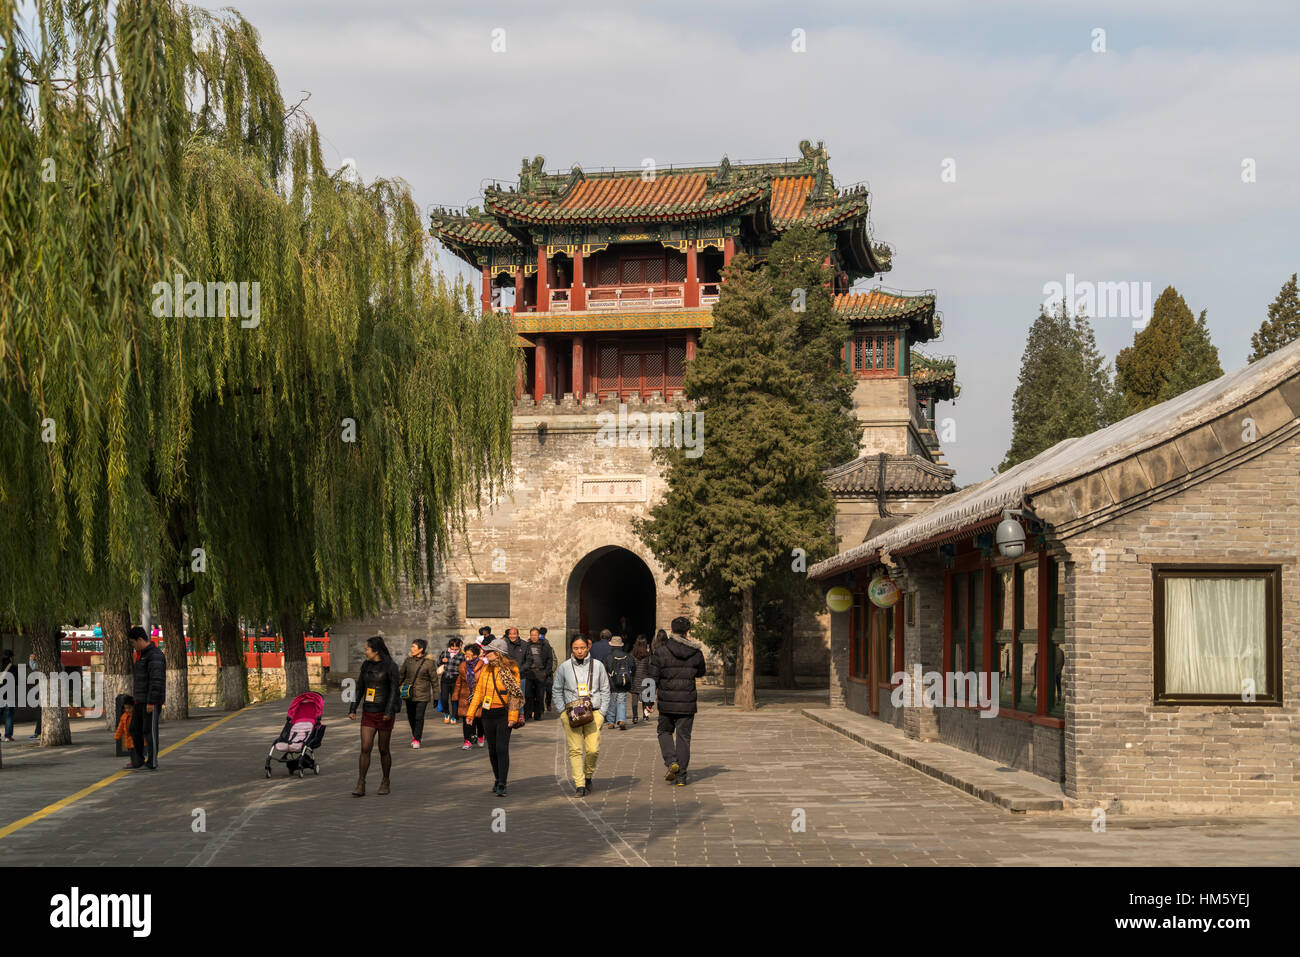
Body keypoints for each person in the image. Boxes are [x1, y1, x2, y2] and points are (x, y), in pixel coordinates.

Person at [646, 616, 705, 787]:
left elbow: (651, 678)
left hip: (666, 702)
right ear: (687, 632)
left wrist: (648, 701)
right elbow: (700, 672)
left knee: (664, 732)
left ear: (671, 631)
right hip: (687, 701)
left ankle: (672, 761)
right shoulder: (696, 653)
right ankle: (681, 777)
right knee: (683, 737)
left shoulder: (660, 652)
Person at [463, 638, 523, 796]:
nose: (485, 653)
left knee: (502, 748)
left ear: (498, 653)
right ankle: (497, 778)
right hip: (487, 714)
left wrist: (513, 716)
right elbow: (479, 693)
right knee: (492, 749)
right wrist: (470, 713)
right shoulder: (485, 669)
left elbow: (514, 696)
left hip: (504, 714)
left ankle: (503, 782)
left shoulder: (512, 669)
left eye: (488, 651)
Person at [553, 634, 610, 797]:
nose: (579, 651)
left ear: (588, 647)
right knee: (575, 749)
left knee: (593, 750)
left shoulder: (598, 666)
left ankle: (588, 775)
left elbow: (606, 689)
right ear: (572, 648)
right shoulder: (564, 667)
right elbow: (556, 689)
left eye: (582, 648)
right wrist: (561, 711)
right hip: (572, 714)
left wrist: (602, 713)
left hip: (594, 712)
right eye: (576, 648)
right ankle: (579, 784)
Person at [348, 636, 401, 796]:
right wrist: (353, 708)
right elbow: (359, 688)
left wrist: (388, 711)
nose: (365, 652)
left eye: (367, 649)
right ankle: (361, 782)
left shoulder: (391, 666)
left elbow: (394, 690)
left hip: (384, 712)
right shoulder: (366, 665)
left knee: (383, 749)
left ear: (376, 650)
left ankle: (385, 780)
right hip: (368, 711)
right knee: (365, 747)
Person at [127, 627, 164, 770]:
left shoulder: (154, 655)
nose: (133, 646)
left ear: (140, 640)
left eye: (133, 643)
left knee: (150, 731)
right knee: (134, 728)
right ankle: (138, 760)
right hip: (139, 700)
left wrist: (152, 701)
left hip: (150, 701)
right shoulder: (141, 655)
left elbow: (156, 680)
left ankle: (152, 761)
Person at [398, 639, 438, 749]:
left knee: (419, 717)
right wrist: (393, 689)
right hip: (408, 693)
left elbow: (434, 681)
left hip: (422, 694)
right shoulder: (408, 661)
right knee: (411, 717)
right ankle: (415, 734)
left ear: (421, 649)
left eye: (414, 647)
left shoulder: (429, 663)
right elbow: (401, 676)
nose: (412, 649)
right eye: (412, 647)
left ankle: (416, 738)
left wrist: (436, 697)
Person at [454, 643, 485, 749]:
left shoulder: (483, 666)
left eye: (469, 654)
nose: (466, 655)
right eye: (465, 653)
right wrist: (455, 696)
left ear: (475, 655)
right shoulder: (463, 666)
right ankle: (467, 741)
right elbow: (459, 682)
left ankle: (480, 735)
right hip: (465, 696)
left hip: (478, 696)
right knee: (466, 719)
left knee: (479, 719)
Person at [521, 627, 555, 722]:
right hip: (529, 673)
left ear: (539, 635)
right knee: (528, 695)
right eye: (532, 635)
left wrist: (546, 672)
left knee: (539, 695)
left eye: (535, 635)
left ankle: (538, 714)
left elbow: (549, 659)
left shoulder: (545, 645)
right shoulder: (527, 645)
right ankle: (527, 714)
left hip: (541, 673)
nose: (534, 637)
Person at [605, 637, 634, 730]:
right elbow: (633, 668)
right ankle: (621, 719)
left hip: (611, 683)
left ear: (611, 645)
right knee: (621, 701)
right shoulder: (628, 656)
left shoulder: (608, 657)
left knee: (611, 702)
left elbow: (604, 670)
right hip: (623, 683)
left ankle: (610, 721)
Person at [436, 637, 465, 724]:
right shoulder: (444, 653)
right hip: (445, 679)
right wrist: (442, 661)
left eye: (457, 646)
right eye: (453, 646)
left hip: (456, 679)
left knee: (454, 699)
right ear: (450, 645)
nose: (455, 648)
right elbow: (438, 663)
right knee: (444, 698)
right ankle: (446, 713)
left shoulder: (462, 655)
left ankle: (454, 716)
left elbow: (464, 667)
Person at [629, 636, 650, 725]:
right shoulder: (647, 655)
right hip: (644, 678)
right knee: (645, 698)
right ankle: (645, 715)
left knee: (634, 698)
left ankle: (635, 717)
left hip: (634, 678)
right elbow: (649, 667)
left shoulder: (632, 654)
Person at [0, 649, 16, 741]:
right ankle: (8, 736)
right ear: (10, 657)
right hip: (9, 694)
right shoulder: (13, 668)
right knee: (9, 715)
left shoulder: (1, 667)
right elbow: (17, 681)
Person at [539, 627, 554, 711]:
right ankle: (541, 707)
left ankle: (547, 703)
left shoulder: (547, 644)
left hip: (547, 672)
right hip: (541, 671)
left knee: (548, 690)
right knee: (541, 691)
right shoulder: (534, 644)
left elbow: (553, 659)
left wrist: (549, 670)